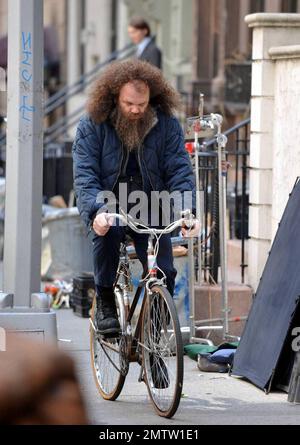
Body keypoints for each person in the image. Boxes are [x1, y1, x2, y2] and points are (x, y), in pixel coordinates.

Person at [72, 59, 199, 338]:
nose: (135, 109)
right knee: (107, 234)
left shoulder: (166, 125)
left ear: (151, 98)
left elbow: (179, 169)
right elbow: (85, 174)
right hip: (109, 201)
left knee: (164, 273)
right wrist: (96, 211)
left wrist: (186, 212)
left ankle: (152, 341)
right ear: (114, 96)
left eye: (141, 104)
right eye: (129, 103)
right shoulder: (92, 124)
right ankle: (105, 298)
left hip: (151, 204)